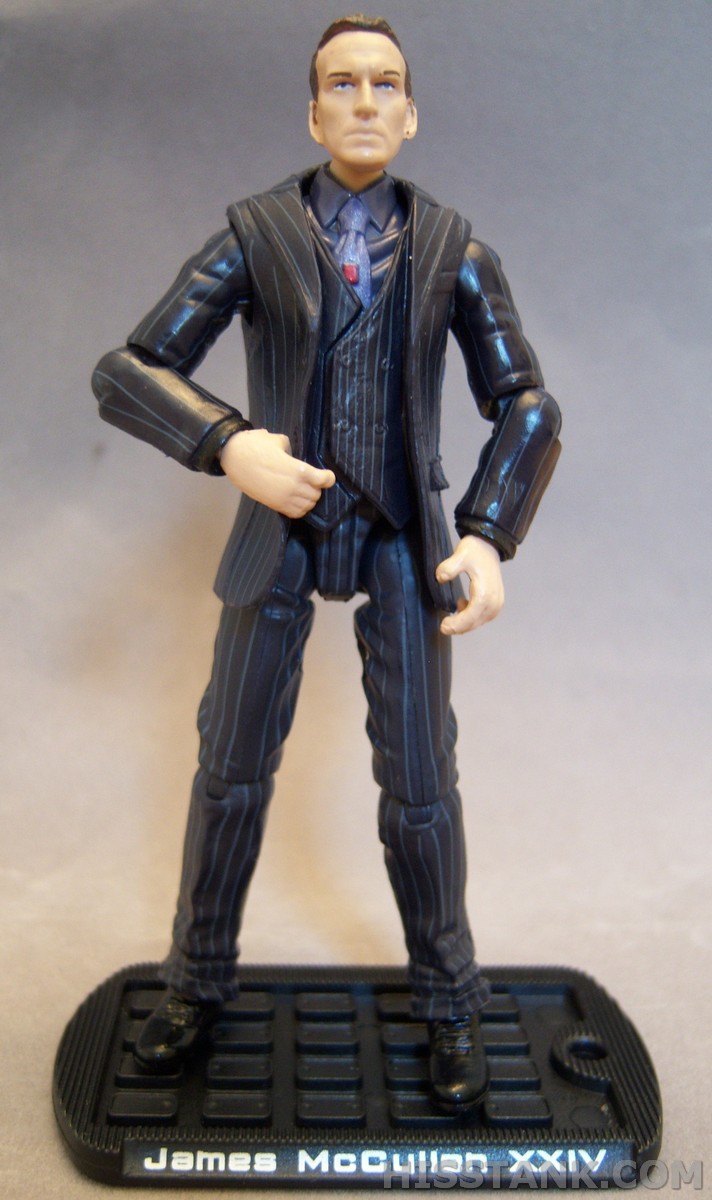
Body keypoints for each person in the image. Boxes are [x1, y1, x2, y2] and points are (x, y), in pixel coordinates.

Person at [92, 14, 561, 1111]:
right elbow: (128, 368)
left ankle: (450, 998)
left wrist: (488, 533)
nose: (363, 101)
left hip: (402, 537)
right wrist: (227, 444)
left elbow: (527, 402)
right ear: (312, 112)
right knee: (230, 766)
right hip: (281, 535)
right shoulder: (257, 234)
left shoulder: (452, 250)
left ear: (411, 112)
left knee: (422, 782)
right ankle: (195, 981)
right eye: (341, 84)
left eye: (383, 83)